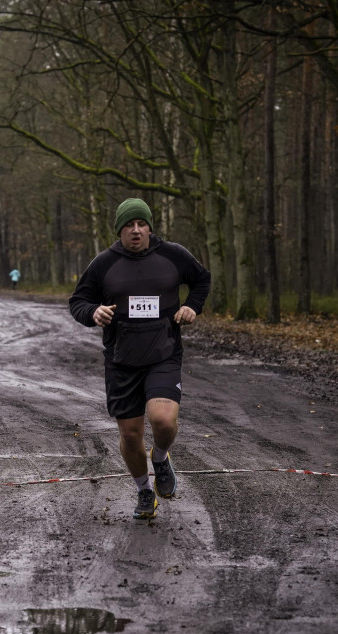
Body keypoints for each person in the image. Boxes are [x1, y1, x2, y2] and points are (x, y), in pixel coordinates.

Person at [69, 198, 211, 519]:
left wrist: (192, 306)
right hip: (121, 362)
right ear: (119, 230)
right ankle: (144, 491)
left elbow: (202, 279)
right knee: (131, 435)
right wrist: (93, 312)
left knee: (162, 420)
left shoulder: (172, 254)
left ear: (149, 226)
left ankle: (160, 457)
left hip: (164, 354)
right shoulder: (104, 263)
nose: (136, 231)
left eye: (141, 224)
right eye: (129, 226)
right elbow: (78, 301)